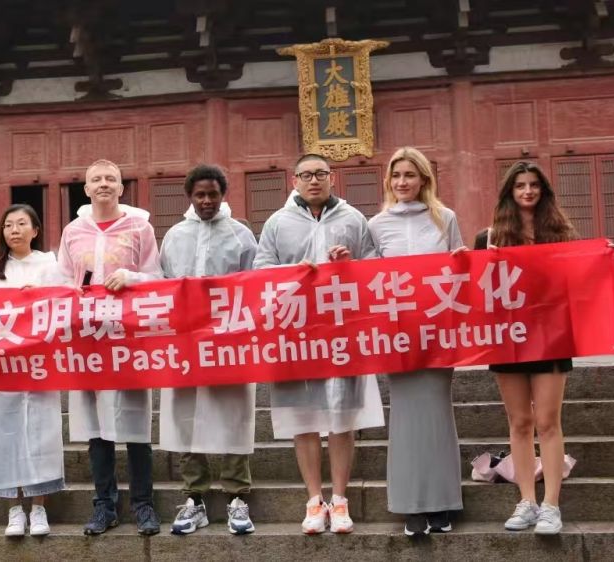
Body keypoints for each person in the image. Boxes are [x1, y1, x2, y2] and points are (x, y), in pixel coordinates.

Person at [254, 153, 384, 535]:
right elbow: (260, 271)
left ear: (332, 178)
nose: (314, 180)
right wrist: (293, 272)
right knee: (304, 417)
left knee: (342, 416)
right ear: (293, 180)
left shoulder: (353, 218)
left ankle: (339, 499)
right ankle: (314, 499)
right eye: (306, 174)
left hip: (342, 330)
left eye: (321, 174)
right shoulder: (277, 223)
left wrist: (350, 263)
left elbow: (375, 268)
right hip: (296, 332)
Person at [57, 159, 163, 536]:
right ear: (86, 189)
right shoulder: (73, 231)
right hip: (89, 338)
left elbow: (157, 275)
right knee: (96, 426)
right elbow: (60, 279)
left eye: (111, 179)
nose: (103, 184)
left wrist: (131, 277)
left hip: (128, 337)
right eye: (96, 179)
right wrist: (70, 290)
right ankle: (104, 504)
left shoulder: (140, 227)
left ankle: (143, 504)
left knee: (136, 424)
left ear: (121, 188)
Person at [473, 160, 578, 535]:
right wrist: (475, 261)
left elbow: (578, 279)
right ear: (509, 192)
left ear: (543, 191)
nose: (528, 191)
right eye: (520, 186)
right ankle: (527, 502)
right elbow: (478, 289)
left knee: (548, 421)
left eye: (534, 185)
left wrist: (601, 255)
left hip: (551, 336)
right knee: (519, 422)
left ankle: (551, 505)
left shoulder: (560, 234)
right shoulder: (489, 237)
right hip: (509, 337)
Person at [368, 146, 466, 537]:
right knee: (405, 418)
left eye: (409, 175)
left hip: (438, 332)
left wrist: (464, 260)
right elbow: (368, 279)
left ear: (424, 179)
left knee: (438, 414)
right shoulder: (377, 225)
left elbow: (460, 273)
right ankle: (410, 505)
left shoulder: (445, 218)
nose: (402, 182)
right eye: (396, 175)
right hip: (398, 335)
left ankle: (442, 502)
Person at [159, 164, 259, 535]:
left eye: (212, 194)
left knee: (234, 412)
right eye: (199, 195)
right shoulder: (174, 236)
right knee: (187, 415)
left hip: (230, 339)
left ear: (222, 195)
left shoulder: (241, 235)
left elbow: (255, 283)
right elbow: (163, 284)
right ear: (189, 196)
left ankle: (237, 496)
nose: (206, 201)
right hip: (185, 340)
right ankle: (194, 497)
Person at [0, 204, 66, 537]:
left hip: (39, 364)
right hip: (3, 366)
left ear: (35, 230)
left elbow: (65, 303)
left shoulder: (51, 265)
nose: (14, 230)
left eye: (22, 223)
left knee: (41, 434)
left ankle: (39, 507)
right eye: (8, 225)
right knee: (5, 434)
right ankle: (14, 508)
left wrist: (39, 297)